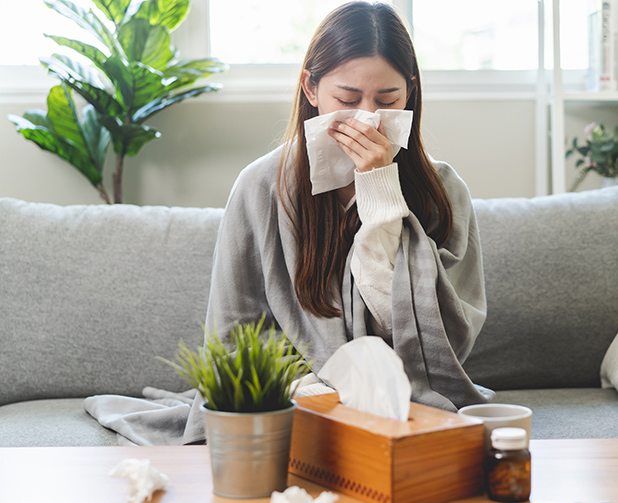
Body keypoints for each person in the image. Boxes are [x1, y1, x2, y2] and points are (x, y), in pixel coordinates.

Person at [183, 1, 490, 443]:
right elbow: (233, 335)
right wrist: (318, 393)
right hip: (295, 403)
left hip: (406, 401)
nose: (366, 119)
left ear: (411, 93)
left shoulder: (443, 191)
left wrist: (380, 191)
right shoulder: (260, 187)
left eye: (387, 100)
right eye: (347, 100)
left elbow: (438, 341)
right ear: (311, 88)